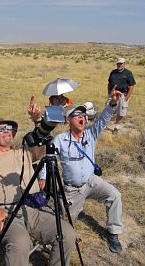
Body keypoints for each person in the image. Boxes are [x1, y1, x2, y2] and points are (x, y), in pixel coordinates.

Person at [0, 117, 76, 266]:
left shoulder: (25, 153)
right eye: (0, 129)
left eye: (8, 127)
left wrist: (38, 121)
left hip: (33, 208)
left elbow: (39, 140)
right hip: (6, 213)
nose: (6, 130)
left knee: (68, 234)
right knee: (21, 242)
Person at [52, 88, 124, 253]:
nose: (82, 117)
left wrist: (112, 103)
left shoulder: (91, 134)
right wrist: (42, 177)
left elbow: (103, 120)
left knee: (115, 195)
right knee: (64, 224)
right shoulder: (61, 140)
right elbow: (49, 158)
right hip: (72, 189)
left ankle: (113, 232)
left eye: (83, 115)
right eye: (77, 115)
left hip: (92, 181)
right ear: (69, 120)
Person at [108, 57, 136, 133]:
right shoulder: (113, 72)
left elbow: (131, 86)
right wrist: (109, 93)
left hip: (122, 95)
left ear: (124, 64)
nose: (119, 65)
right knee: (108, 109)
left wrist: (127, 97)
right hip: (113, 94)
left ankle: (116, 127)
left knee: (121, 112)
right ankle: (104, 124)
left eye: (121, 63)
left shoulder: (128, 73)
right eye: (118, 63)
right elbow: (109, 83)